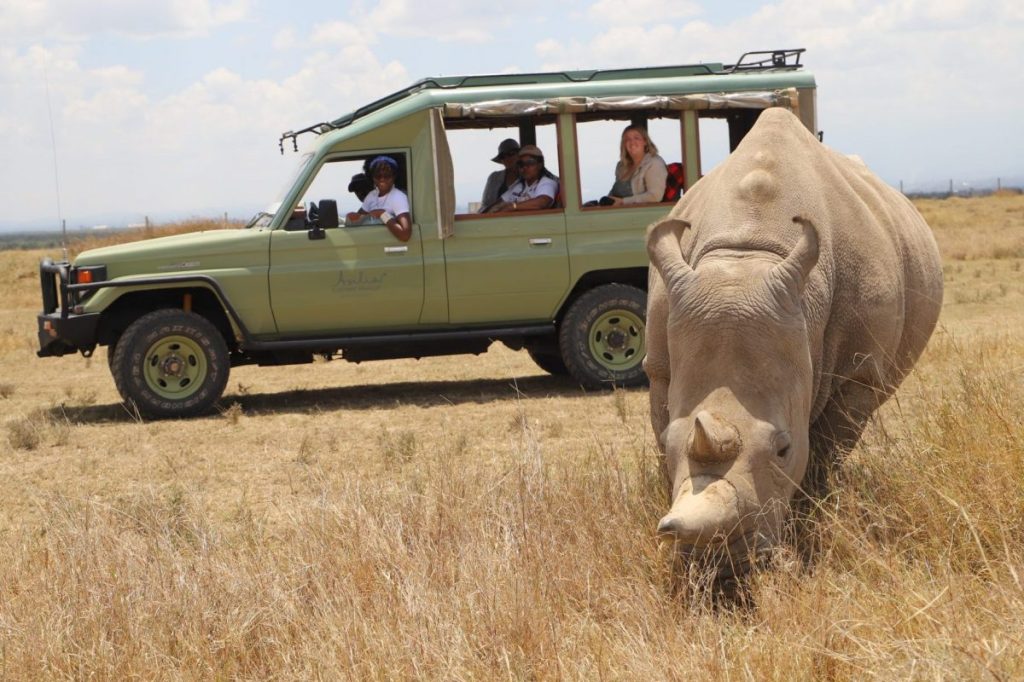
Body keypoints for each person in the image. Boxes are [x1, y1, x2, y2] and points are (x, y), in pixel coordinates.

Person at [345, 155, 412, 242]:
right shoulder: (372, 195)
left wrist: (382, 214)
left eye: (387, 175)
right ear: (372, 178)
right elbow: (359, 218)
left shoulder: (398, 197)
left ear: (394, 177)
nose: (382, 179)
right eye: (378, 176)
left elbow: (405, 235)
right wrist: (352, 217)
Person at [603, 125, 668, 206]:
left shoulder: (654, 163)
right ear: (624, 144)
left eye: (636, 138)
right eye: (627, 139)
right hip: (616, 212)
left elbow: (655, 196)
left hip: (640, 214)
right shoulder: (621, 166)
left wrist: (623, 201)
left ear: (645, 141)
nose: (632, 142)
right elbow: (615, 193)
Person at [486, 144, 559, 213]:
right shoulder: (519, 186)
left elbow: (542, 202)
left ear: (540, 165)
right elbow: (499, 203)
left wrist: (513, 206)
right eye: (521, 164)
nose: (524, 167)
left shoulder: (547, 183)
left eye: (529, 163)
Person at [480, 138, 520, 212]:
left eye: (510, 154)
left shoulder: (528, 177)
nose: (507, 158)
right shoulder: (494, 178)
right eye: (502, 156)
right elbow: (485, 204)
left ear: (519, 155)